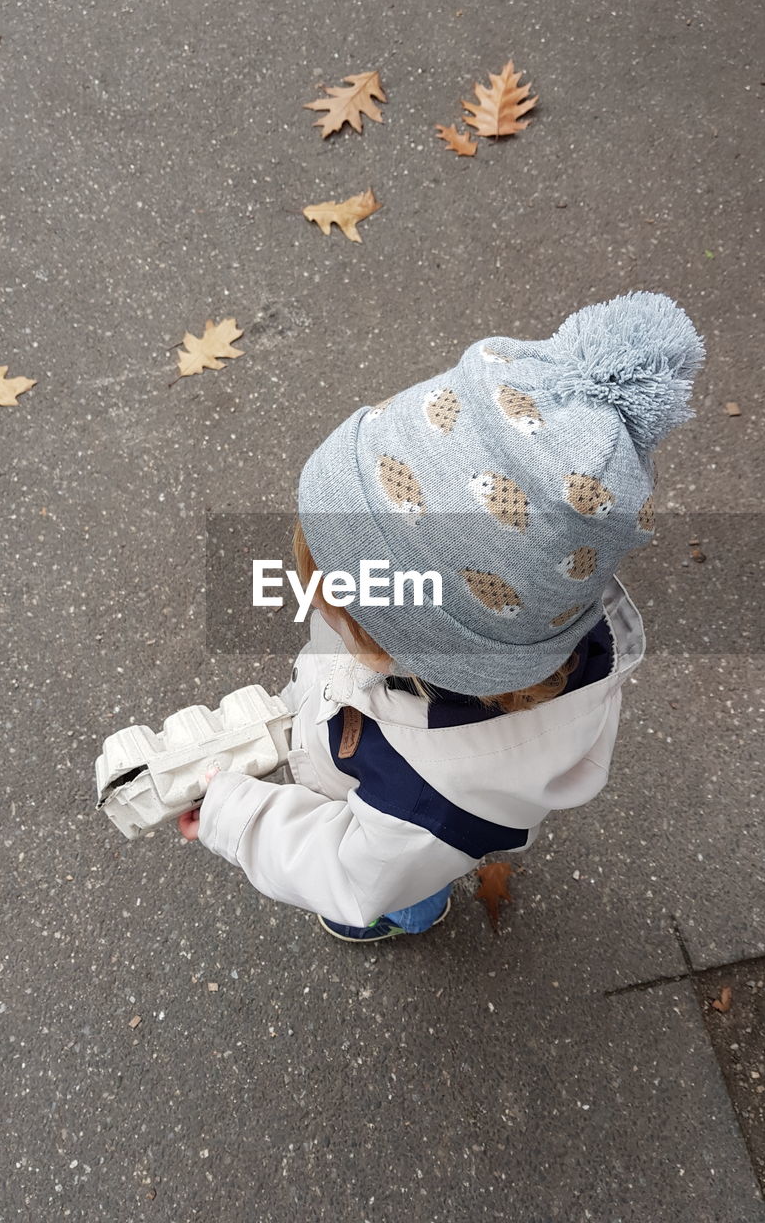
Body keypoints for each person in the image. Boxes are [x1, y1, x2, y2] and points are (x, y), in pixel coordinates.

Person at [178, 291, 705, 942]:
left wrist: (234, 817)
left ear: (404, 644)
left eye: (337, 600)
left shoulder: (431, 800)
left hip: (393, 835)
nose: (315, 603)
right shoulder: (522, 618)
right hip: (374, 725)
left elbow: (349, 869)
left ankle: (415, 913)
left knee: (402, 883)